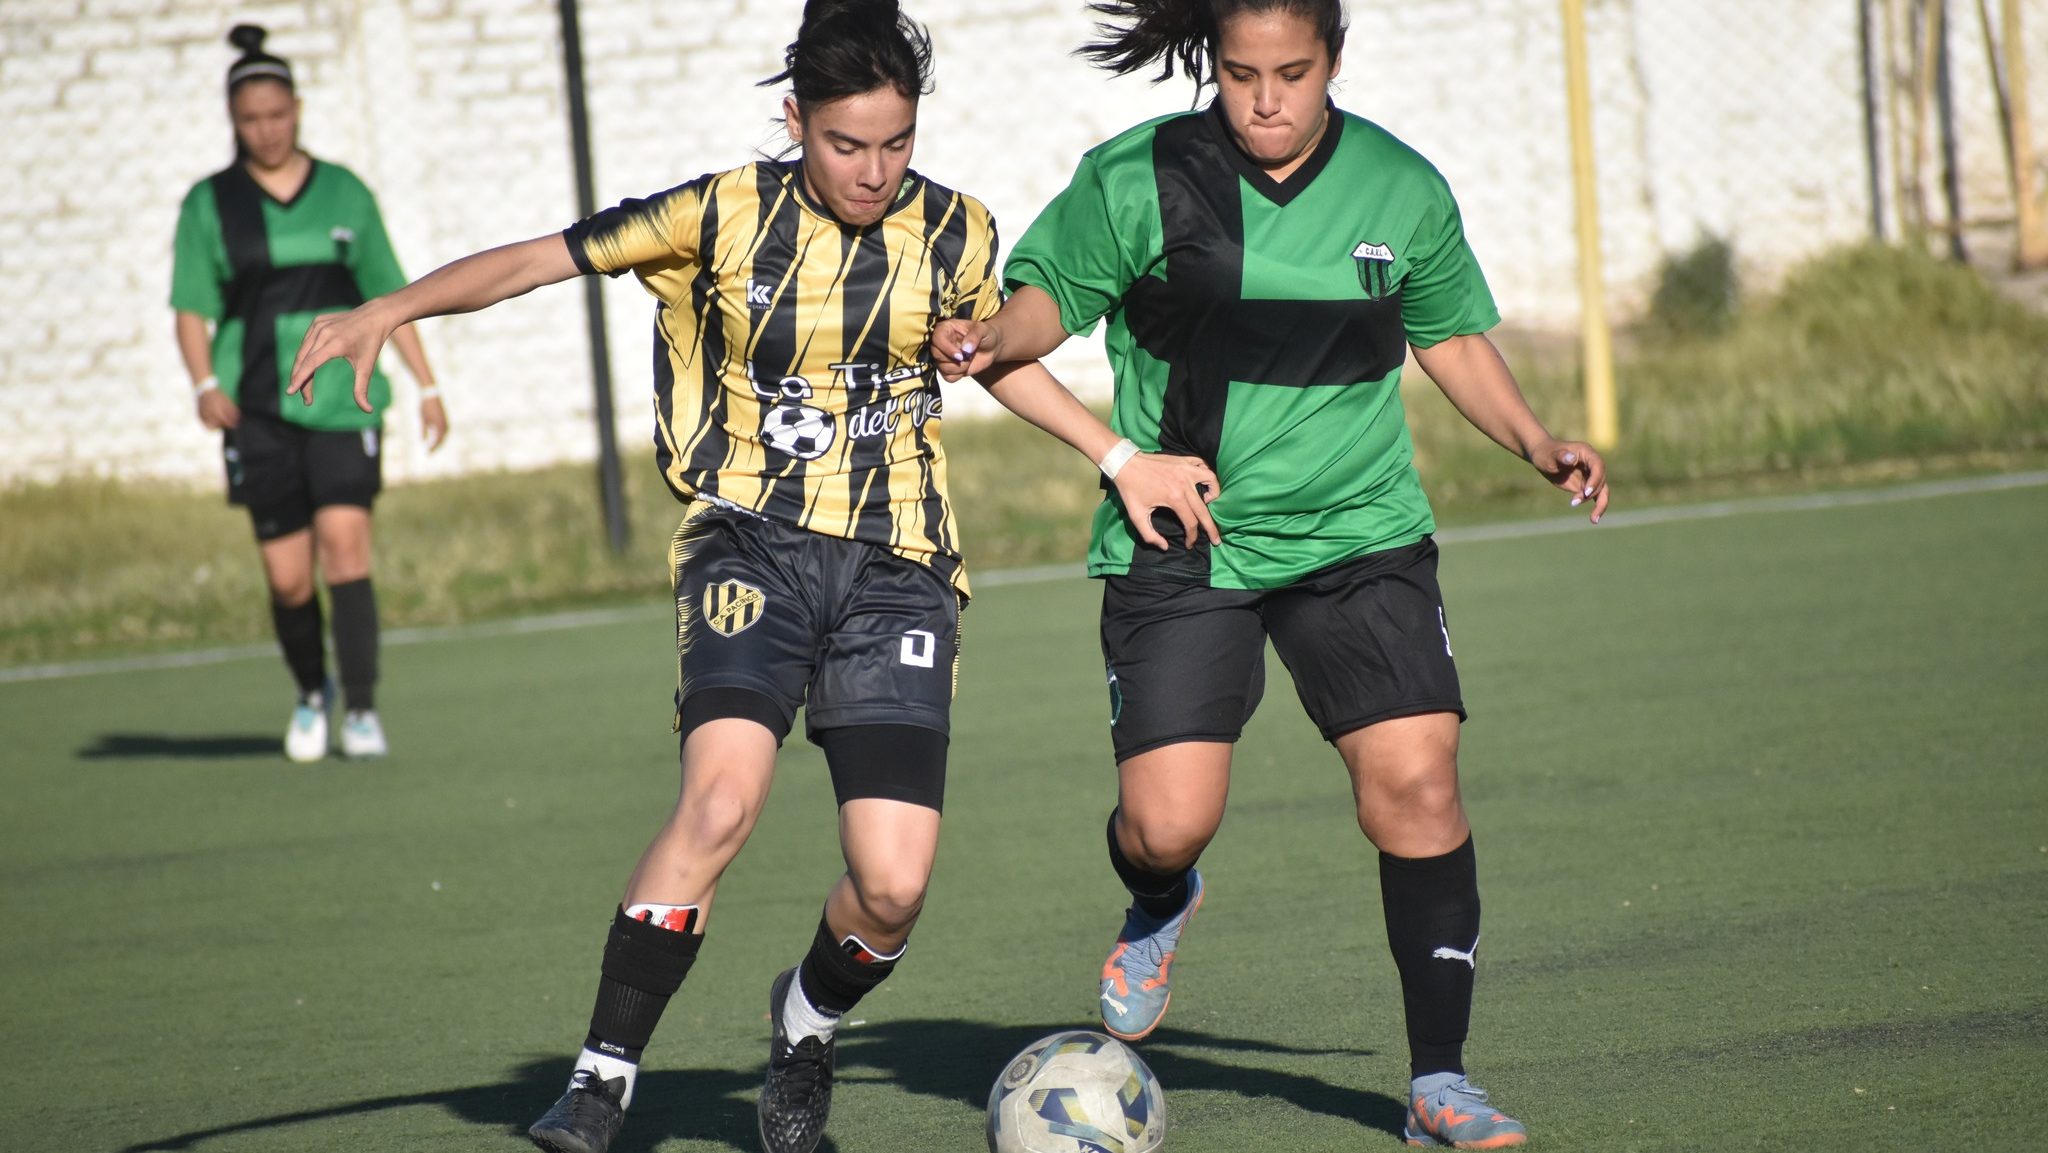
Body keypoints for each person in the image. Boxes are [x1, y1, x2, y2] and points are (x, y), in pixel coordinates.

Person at [286, 4, 1213, 1151]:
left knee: (891, 885)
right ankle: (600, 1077)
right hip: (748, 547)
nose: (873, 170)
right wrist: (391, 306)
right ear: (795, 122)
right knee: (719, 802)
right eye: (844, 144)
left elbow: (990, 364)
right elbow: (540, 258)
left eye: (895, 142)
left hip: (900, 572)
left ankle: (807, 1022)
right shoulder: (717, 214)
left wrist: (1116, 457)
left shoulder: (953, 229)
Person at [935, 1, 1610, 1146]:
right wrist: (999, 336)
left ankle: (1437, 1080)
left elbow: (1444, 334)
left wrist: (1535, 439)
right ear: (1213, 65)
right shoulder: (1140, 177)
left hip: (1357, 534)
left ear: (1331, 62)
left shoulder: (1399, 188)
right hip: (1184, 537)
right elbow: (1050, 301)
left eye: (1290, 73)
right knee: (1164, 826)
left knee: (1418, 784)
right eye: (1241, 74)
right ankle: (1160, 897)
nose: (1264, 100)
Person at [172, 24, 448, 763]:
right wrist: (203, 383)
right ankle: (309, 692)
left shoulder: (344, 192)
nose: (266, 129)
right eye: (250, 118)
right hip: (257, 408)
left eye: (277, 113)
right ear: (235, 121)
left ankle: (359, 706)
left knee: (346, 548)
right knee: (289, 579)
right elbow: (190, 307)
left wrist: (427, 385)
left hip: (340, 403)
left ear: (296, 109)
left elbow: (392, 293)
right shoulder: (210, 204)